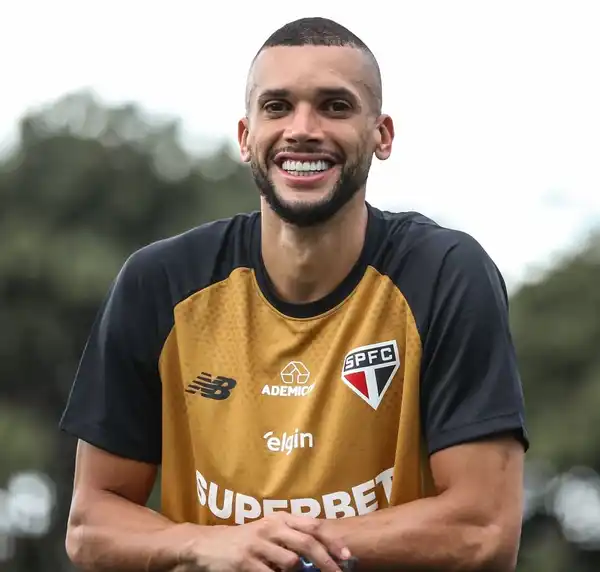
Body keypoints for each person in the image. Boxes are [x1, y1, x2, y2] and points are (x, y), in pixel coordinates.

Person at [60, 16, 529, 572]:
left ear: (382, 135)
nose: (302, 129)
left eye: (335, 106)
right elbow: (91, 525)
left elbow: (483, 529)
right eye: (278, 107)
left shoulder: (447, 275)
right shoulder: (159, 283)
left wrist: (272, 545)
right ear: (245, 136)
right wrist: (204, 543)